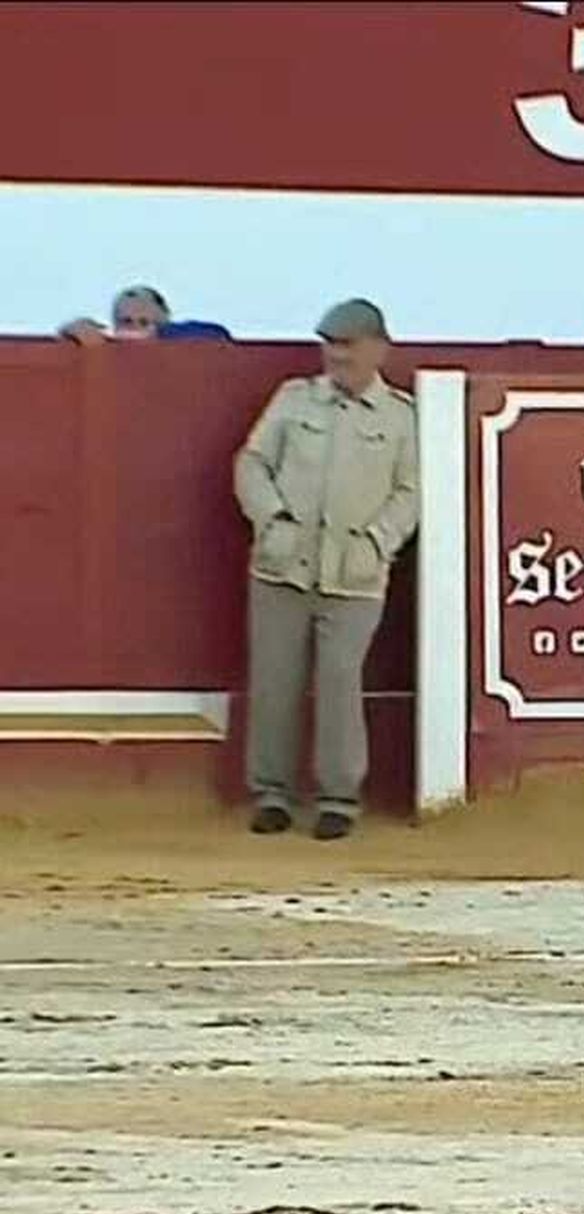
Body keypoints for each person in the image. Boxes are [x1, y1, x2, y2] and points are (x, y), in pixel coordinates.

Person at [232, 298, 418, 839]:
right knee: (275, 681)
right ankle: (272, 793)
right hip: (283, 564)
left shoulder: (400, 417)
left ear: (378, 347)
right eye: (331, 345)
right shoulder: (294, 401)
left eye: (348, 345)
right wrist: (272, 521)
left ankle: (340, 797)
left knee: (340, 682)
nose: (337, 355)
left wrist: (378, 543)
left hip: (355, 573)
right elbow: (252, 462)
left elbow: (411, 491)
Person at [58, 284, 231, 343]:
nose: (135, 328)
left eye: (144, 322)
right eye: (127, 321)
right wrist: (71, 334)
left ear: (165, 319)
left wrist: (157, 335)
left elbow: (218, 336)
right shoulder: (109, 351)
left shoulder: (184, 342)